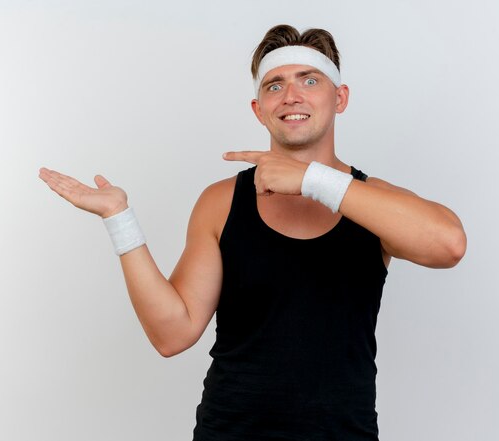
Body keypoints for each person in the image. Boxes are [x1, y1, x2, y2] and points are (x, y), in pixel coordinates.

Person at [39, 24, 466, 441]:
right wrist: (119, 218)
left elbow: (449, 245)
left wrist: (313, 181)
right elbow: (172, 334)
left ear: (340, 98)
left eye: (309, 80)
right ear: (258, 109)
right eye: (274, 85)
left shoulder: (371, 201)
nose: (291, 96)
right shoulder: (222, 201)